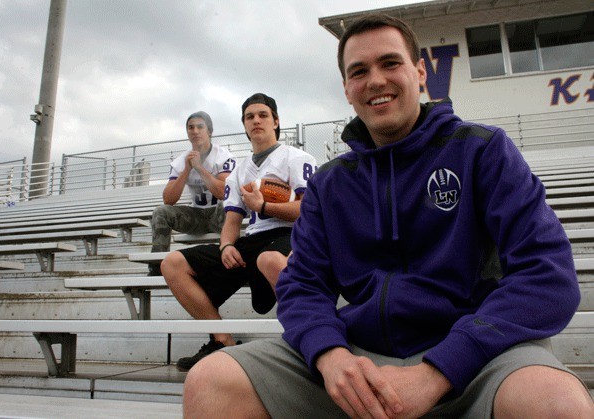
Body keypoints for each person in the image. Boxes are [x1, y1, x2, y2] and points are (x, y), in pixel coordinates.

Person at [182, 15, 594, 418]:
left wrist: (438, 371)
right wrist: (331, 356)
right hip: (360, 358)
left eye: (390, 63)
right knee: (212, 381)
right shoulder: (331, 183)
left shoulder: (482, 151)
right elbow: (303, 285)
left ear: (419, 72)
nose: (375, 80)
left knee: (555, 402)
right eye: (359, 71)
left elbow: (548, 276)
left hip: (477, 356)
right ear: (347, 89)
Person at [161, 93, 317, 372]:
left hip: (289, 235)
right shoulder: (239, 170)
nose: (256, 120)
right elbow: (232, 221)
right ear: (244, 125)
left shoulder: (297, 158)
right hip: (252, 240)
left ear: (276, 121)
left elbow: (309, 209)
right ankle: (223, 341)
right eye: (249, 117)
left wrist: (266, 205)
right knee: (172, 264)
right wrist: (225, 247)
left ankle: (310, 341)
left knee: (270, 259)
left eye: (263, 115)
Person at [148, 111, 235, 276]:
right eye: (191, 127)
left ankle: (232, 261)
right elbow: (168, 199)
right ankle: (156, 266)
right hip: (196, 216)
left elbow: (225, 192)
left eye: (200, 127)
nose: (195, 131)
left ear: (209, 131)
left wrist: (200, 168)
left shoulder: (223, 156)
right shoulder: (181, 161)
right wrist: (187, 169)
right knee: (160, 212)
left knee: (228, 204)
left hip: (219, 215)